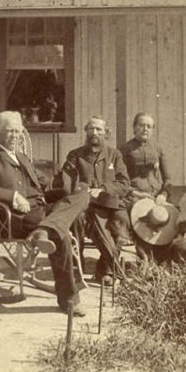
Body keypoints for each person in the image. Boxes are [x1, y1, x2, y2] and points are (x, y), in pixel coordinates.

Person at [0, 111, 89, 316]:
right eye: (9, 131)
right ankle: (69, 299)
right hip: (14, 217)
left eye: (18, 131)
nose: (15, 136)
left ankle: (44, 230)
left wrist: (69, 185)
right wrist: (12, 196)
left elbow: (44, 186)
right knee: (59, 233)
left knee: (82, 196)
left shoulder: (23, 157)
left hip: (40, 211)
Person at [54, 115, 131, 285]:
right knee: (78, 221)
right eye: (91, 128)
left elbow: (124, 184)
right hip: (85, 205)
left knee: (121, 221)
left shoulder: (114, 155)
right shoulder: (75, 155)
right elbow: (65, 182)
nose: (94, 132)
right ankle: (76, 266)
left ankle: (105, 269)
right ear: (86, 131)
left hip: (110, 204)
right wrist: (83, 190)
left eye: (99, 129)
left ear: (106, 133)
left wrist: (104, 189)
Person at [119, 112, 172, 206]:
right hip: (135, 197)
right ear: (134, 127)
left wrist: (163, 195)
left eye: (149, 126)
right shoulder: (124, 149)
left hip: (157, 197)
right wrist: (137, 194)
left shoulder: (158, 148)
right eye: (141, 125)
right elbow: (120, 180)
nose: (145, 129)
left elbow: (167, 179)